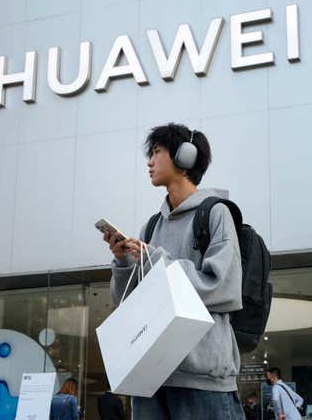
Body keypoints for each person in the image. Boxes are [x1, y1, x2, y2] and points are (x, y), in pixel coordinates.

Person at [103, 123, 245, 419]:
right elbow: (129, 303)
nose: (149, 161)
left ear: (185, 158)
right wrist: (124, 263)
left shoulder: (216, 213)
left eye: (156, 152)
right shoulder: (152, 226)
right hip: (150, 377)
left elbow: (222, 287)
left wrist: (155, 260)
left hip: (203, 380)